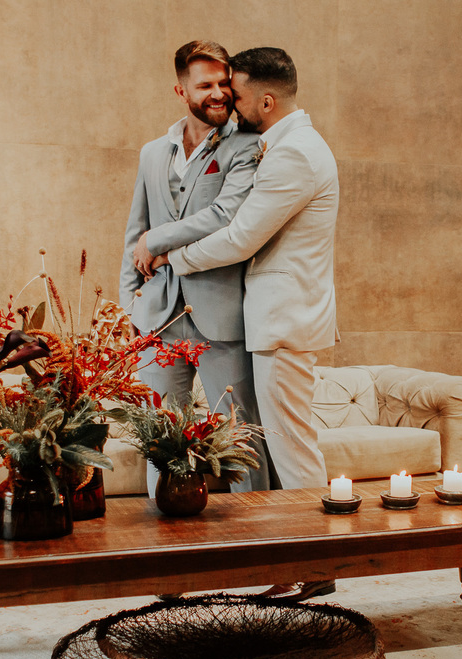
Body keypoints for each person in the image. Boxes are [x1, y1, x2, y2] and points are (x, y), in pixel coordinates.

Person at [159, 47, 339, 600]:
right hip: (281, 318)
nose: (227, 103)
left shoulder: (295, 154)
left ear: (265, 100)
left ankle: (317, 566)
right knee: (285, 444)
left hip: (284, 320)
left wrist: (171, 258)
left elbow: (241, 238)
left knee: (292, 447)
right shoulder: (287, 145)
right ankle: (298, 563)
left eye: (235, 95)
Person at [120, 40, 269, 495]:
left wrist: (156, 241)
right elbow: (134, 232)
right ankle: (166, 530)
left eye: (224, 83)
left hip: (221, 318)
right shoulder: (152, 153)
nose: (219, 93)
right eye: (205, 85)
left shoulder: (247, 146)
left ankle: (256, 527)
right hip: (158, 319)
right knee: (160, 436)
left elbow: (226, 215)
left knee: (240, 436)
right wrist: (130, 308)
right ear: (181, 91)